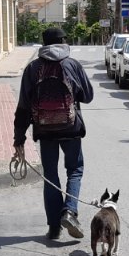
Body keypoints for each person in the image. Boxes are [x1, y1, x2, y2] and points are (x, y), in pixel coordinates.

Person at [13, 28, 94, 240]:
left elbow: (23, 106)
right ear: (62, 42)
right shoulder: (71, 64)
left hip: (44, 128)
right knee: (75, 170)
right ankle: (69, 211)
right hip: (71, 128)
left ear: (44, 43)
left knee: (50, 176)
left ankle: (54, 227)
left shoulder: (33, 67)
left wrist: (18, 138)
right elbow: (88, 96)